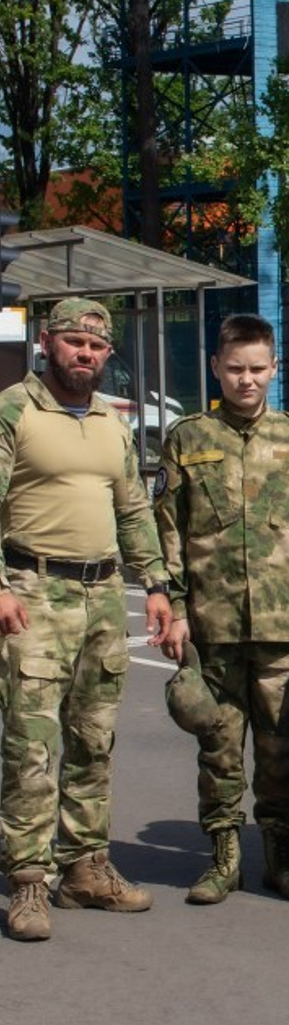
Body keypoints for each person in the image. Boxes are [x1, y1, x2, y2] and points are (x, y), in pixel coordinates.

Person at [0, 297, 172, 942]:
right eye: (75, 342)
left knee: (93, 741)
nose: (87, 354)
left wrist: (156, 585)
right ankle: (27, 879)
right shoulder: (14, 409)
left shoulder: (111, 422)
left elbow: (132, 509)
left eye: (98, 346)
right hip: (33, 591)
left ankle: (84, 868)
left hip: (101, 595)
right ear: (48, 343)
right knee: (31, 745)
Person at [156, 313, 289, 905]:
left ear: (274, 369)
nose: (246, 379)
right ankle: (223, 857)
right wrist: (175, 607)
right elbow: (168, 530)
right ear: (216, 367)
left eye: (258, 368)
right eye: (235, 368)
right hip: (213, 624)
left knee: (281, 749)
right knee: (218, 746)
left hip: (285, 625)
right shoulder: (188, 438)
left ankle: (281, 856)